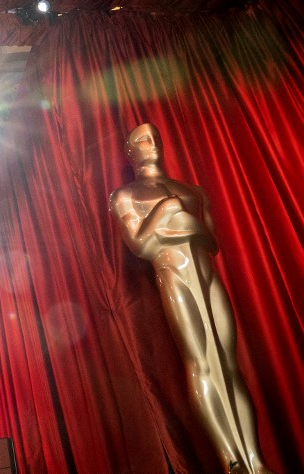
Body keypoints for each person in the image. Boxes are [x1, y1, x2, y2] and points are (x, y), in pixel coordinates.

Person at [109, 123, 273, 474]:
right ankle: (231, 460)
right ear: (130, 151)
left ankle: (256, 461)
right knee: (201, 363)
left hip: (208, 276)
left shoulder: (194, 191)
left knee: (228, 365)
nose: (152, 143)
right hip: (174, 275)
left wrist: (178, 219)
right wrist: (167, 210)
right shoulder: (124, 196)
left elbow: (211, 241)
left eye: (155, 137)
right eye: (142, 140)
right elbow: (139, 245)